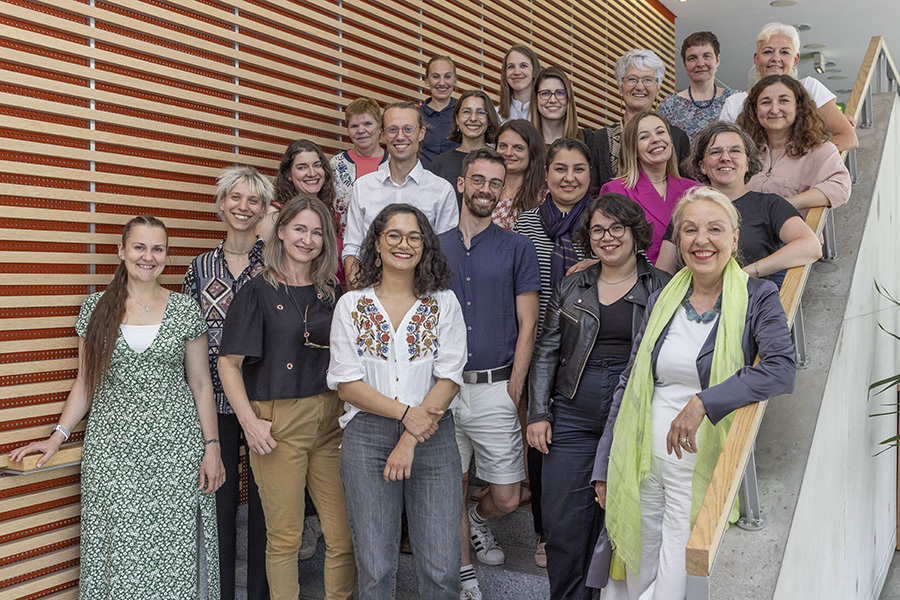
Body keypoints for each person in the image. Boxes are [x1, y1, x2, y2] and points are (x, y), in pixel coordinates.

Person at [592, 187, 796, 599]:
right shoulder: (662, 298)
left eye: (714, 229)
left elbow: (781, 369)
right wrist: (603, 465)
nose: (702, 240)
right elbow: (630, 380)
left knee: (676, 567)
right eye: (690, 230)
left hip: (699, 457)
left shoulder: (759, 297)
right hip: (641, 455)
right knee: (636, 567)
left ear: (734, 239)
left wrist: (704, 402)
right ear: (679, 241)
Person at [10, 215, 225, 599]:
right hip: (113, 453)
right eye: (139, 247)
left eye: (157, 249)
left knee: (173, 552)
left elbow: (201, 384)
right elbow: (86, 382)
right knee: (118, 553)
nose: (148, 256)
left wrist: (212, 447)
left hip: (176, 451)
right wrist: (56, 437)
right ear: (121, 251)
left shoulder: (185, 309)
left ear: (167, 256)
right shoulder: (96, 308)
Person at [528, 193, 669, 600]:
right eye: (598, 230)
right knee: (563, 525)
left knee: (622, 527)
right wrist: (539, 412)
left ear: (634, 232)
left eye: (616, 228)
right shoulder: (573, 284)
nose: (607, 237)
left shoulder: (661, 286)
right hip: (571, 415)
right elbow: (547, 351)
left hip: (633, 418)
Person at [218, 197, 355, 600]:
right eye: (299, 229)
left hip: (331, 419)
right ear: (280, 231)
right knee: (284, 538)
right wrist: (249, 422)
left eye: (316, 232)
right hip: (277, 424)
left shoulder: (333, 292)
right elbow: (229, 364)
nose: (307, 239)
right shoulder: (257, 291)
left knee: (342, 536)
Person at [328, 204, 467, 600]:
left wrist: (409, 438)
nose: (403, 244)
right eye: (393, 235)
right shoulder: (352, 306)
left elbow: (450, 378)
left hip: (433, 438)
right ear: (376, 242)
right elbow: (347, 385)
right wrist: (408, 416)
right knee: (375, 567)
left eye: (413, 236)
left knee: (441, 568)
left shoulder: (443, 303)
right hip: (367, 436)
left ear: (425, 246)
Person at [439, 148, 541, 600]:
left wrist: (516, 384)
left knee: (507, 496)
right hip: (441, 391)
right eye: (477, 180)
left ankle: (481, 521)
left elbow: (529, 323)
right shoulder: (433, 245)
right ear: (462, 184)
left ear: (502, 191)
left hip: (495, 385)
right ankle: (465, 574)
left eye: (494, 183)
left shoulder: (517, 246)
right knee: (451, 487)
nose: (485, 189)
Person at [183, 166, 274, 600]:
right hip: (213, 406)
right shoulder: (199, 267)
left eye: (253, 200)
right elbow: (185, 333)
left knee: (264, 509)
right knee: (218, 509)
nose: (243, 207)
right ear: (221, 204)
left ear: (263, 209)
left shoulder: (275, 263)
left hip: (263, 403)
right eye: (235, 198)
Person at [514, 137, 592, 567]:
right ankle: (544, 532)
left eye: (578, 169)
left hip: (589, 350)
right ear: (545, 175)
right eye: (560, 169)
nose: (569, 177)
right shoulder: (525, 225)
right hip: (538, 348)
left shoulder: (600, 222)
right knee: (540, 441)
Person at [656, 121, 822, 284]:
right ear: (702, 166)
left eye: (735, 151)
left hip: (753, 304)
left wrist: (746, 273)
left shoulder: (770, 205)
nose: (725, 158)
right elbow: (663, 275)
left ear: (748, 163)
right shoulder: (688, 209)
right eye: (715, 152)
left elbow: (810, 246)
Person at [342, 101, 459, 283]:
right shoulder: (362, 186)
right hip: (370, 293)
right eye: (392, 130)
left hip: (422, 295)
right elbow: (352, 248)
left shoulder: (442, 191)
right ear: (383, 134)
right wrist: (360, 298)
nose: (400, 136)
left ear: (421, 133)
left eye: (408, 129)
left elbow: (446, 255)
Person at [719, 22, 858, 152]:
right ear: (756, 58)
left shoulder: (810, 88)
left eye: (784, 52)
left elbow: (848, 138)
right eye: (768, 51)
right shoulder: (735, 102)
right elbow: (723, 150)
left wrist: (803, 160)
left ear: (795, 60)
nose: (776, 58)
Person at [737, 75, 852, 217]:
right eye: (765, 102)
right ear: (755, 110)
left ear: (798, 107)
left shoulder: (820, 150)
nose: (774, 109)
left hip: (794, 236)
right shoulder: (742, 152)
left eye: (783, 101)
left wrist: (782, 204)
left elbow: (840, 188)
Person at [589, 49, 691, 196]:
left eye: (648, 79)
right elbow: (592, 196)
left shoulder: (677, 138)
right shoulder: (600, 139)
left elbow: (685, 193)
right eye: (632, 79)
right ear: (620, 88)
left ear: (658, 89)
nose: (640, 86)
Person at [599, 111, 698, 263]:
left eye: (660, 132)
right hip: (639, 282)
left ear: (670, 141)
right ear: (633, 149)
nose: (655, 139)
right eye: (644, 137)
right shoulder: (615, 191)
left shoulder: (694, 191)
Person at [657, 32, 740, 140]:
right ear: (684, 64)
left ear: (717, 60)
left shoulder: (735, 99)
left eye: (706, 56)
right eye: (692, 58)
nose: (700, 64)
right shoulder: (669, 105)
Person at [430, 89, 501, 207]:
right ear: (457, 118)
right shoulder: (440, 163)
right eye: (467, 112)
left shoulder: (499, 160)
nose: (473, 118)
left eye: (481, 112)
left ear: (489, 120)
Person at [331, 98, 388, 237]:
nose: (361, 130)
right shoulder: (336, 165)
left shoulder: (395, 164)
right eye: (354, 126)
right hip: (343, 248)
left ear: (380, 127)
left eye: (367, 124)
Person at [263, 139, 340, 243]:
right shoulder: (274, 214)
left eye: (317, 165)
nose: (312, 173)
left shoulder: (331, 214)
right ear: (288, 174)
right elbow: (261, 257)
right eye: (302, 167)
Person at [492, 119, 547, 230]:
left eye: (518, 148)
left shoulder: (544, 199)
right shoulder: (485, 190)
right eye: (503, 146)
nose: (508, 153)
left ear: (532, 153)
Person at [419, 55, 460, 169]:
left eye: (447, 76)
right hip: (423, 182)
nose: (442, 83)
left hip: (457, 181)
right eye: (436, 76)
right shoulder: (415, 115)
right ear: (427, 80)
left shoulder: (464, 114)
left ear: (455, 79)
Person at [531, 66, 589, 145]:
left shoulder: (587, 140)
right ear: (536, 98)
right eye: (545, 93)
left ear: (568, 98)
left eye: (560, 93)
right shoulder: (526, 141)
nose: (553, 100)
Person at [498, 44, 542, 122]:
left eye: (523, 66)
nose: (516, 72)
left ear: (534, 71)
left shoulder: (546, 112)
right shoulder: (496, 115)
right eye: (511, 67)